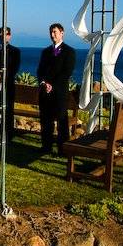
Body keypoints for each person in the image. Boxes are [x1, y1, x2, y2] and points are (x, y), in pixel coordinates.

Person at [37, 22, 76, 153]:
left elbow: (66, 73)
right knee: (46, 122)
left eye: (55, 32)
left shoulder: (69, 52)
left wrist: (52, 86)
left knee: (62, 122)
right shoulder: (45, 52)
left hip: (59, 93)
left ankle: (63, 149)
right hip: (45, 93)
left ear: (62, 33)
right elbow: (40, 70)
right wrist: (43, 83)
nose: (52, 34)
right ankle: (46, 147)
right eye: (51, 32)